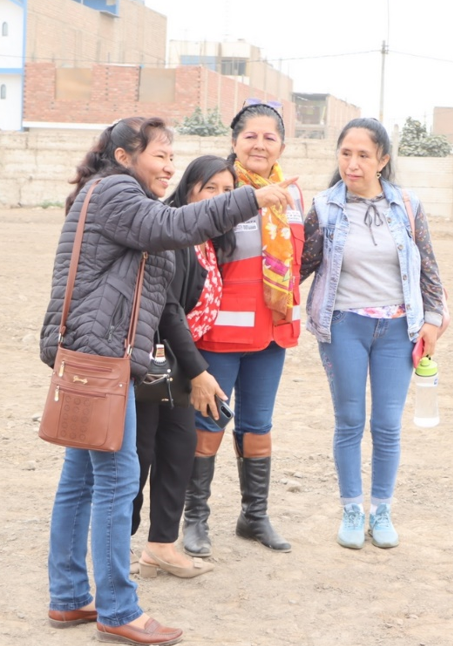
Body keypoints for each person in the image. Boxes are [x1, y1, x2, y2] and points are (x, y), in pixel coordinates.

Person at [40, 116, 295, 645]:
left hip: (92, 355)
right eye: (159, 155)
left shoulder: (113, 197)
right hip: (103, 358)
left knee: (81, 479)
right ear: (123, 157)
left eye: (171, 157)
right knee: (115, 479)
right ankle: (116, 608)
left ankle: (69, 598)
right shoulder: (116, 194)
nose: (168, 165)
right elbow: (179, 227)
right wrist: (254, 198)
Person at [300, 117, 445, 550]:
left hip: (399, 329)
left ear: (382, 160)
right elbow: (298, 267)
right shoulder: (324, 208)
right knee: (349, 421)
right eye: (346, 153)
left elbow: (429, 266)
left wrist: (434, 319)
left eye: (364, 155)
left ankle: (381, 510)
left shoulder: (408, 204)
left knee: (386, 424)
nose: (353, 163)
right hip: (343, 325)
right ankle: (351, 509)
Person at [183, 102, 304, 555]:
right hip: (221, 333)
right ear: (234, 143)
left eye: (269, 137)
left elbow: (298, 259)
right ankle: (195, 518)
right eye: (250, 136)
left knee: (258, 425)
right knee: (208, 421)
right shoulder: (222, 190)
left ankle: (254, 516)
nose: (259, 144)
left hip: (273, 331)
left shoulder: (292, 194)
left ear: (282, 146)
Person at [130, 156, 237, 580]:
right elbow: (167, 309)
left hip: (177, 358)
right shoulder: (175, 231)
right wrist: (196, 371)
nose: (219, 198)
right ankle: (119, 545)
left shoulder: (210, 239)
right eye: (210, 188)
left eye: (228, 191)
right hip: (157, 359)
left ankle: (161, 546)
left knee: (178, 446)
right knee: (142, 452)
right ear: (189, 190)